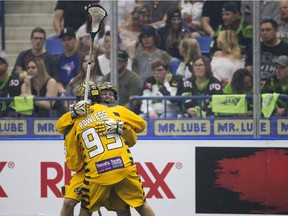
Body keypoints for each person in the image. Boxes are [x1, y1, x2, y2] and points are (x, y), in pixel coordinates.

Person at [60, 87, 156, 216]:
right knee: (137, 206)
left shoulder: (73, 123)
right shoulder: (116, 111)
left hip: (96, 171)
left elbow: (74, 164)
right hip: (122, 166)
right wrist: (120, 127)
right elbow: (137, 133)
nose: (108, 97)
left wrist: (72, 114)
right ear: (99, 97)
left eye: (111, 94)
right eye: (105, 94)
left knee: (86, 210)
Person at [245, 19, 288, 85]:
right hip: (257, 84)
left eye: (268, 30)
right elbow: (248, 67)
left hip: (278, 84)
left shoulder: (285, 47)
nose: (265, 33)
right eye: (262, 30)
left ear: (276, 30)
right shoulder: (255, 48)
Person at [56, 27, 83, 94]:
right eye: (64, 40)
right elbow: (57, 79)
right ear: (61, 42)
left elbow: (82, 76)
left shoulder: (81, 57)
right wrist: (63, 92)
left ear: (75, 40)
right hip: (62, 91)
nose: (67, 42)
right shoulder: (58, 59)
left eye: (69, 39)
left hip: (77, 89)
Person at [0, 51, 22, 117]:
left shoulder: (14, 81)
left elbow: (14, 106)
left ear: (7, 66)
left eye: (0, 63)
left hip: (8, 118)